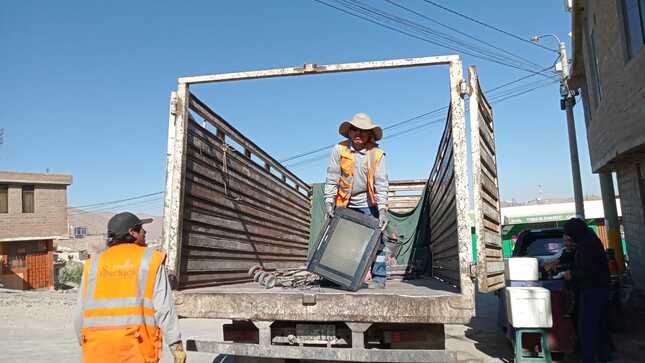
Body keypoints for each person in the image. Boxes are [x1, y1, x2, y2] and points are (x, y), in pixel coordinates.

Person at [74, 212, 186, 363]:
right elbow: (164, 307)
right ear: (132, 233)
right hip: (135, 348)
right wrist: (175, 345)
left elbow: (80, 310)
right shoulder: (150, 260)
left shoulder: (93, 264)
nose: (144, 232)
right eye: (140, 228)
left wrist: (84, 340)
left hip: (97, 348)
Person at [324, 112, 389, 288]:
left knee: (378, 240)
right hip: (344, 202)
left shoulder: (377, 154)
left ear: (370, 135)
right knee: (339, 240)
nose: (358, 134)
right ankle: (333, 277)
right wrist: (329, 202)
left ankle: (379, 278)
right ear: (349, 132)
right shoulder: (339, 149)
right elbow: (332, 177)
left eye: (363, 131)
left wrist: (382, 209)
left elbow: (381, 183)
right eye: (354, 130)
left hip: (368, 203)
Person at [561, 218, 610, 363]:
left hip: (593, 291)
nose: (569, 239)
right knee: (599, 328)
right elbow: (582, 264)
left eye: (570, 236)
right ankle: (602, 357)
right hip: (598, 289)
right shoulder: (588, 240)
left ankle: (589, 358)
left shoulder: (587, 245)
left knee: (587, 329)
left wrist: (572, 274)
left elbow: (589, 271)